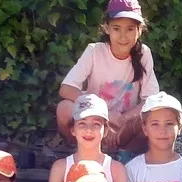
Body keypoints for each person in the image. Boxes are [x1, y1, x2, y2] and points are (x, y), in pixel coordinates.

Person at [56, 0, 159, 154]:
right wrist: (104, 114)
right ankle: (82, 150)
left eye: (130, 29)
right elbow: (66, 89)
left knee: (153, 116)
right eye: (117, 28)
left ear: (140, 30)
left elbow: (151, 100)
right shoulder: (94, 51)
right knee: (64, 108)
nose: (123, 36)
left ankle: (125, 156)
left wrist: (123, 120)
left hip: (123, 124)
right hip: (94, 119)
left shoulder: (144, 53)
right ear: (106, 28)